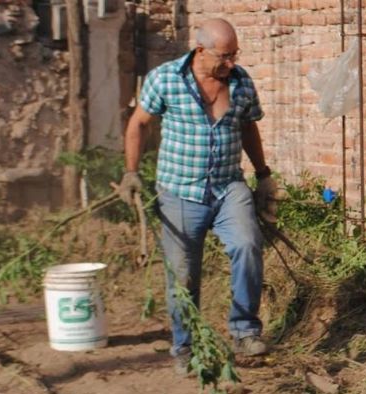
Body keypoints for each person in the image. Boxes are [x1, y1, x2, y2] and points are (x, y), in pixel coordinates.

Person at [118, 18, 278, 374]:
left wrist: (263, 175)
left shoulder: (240, 82)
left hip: (227, 186)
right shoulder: (166, 78)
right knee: (183, 274)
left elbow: (248, 127)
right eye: (224, 56)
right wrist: (131, 173)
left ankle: (244, 331)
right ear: (201, 50)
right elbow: (139, 123)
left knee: (247, 245)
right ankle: (186, 346)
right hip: (179, 192)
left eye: (235, 55)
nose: (231, 64)